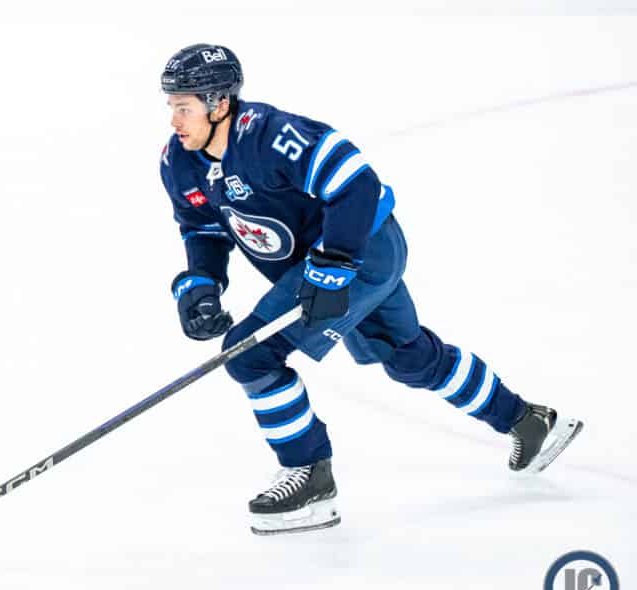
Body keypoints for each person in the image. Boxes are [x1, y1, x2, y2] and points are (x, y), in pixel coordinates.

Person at [159, 43, 583, 535]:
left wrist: (335, 266)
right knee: (408, 357)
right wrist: (202, 284)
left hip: (362, 249)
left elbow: (355, 183)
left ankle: (309, 478)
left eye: (184, 107)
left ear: (219, 103)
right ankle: (528, 421)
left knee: (249, 354)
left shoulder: (270, 136)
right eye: (171, 107)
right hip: (332, 264)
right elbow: (203, 229)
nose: (174, 120)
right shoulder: (178, 162)